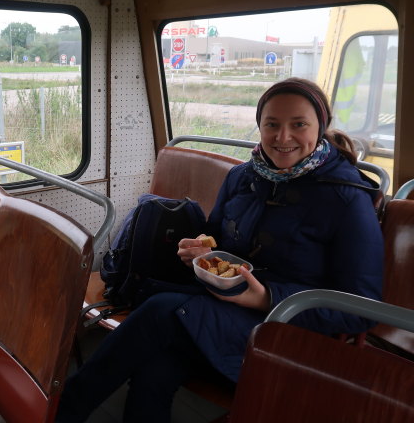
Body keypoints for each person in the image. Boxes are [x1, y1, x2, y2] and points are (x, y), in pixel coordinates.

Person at [56, 78, 384, 423]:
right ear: (260, 126)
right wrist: (197, 251)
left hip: (289, 327)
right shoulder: (243, 177)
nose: (282, 137)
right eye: (272, 124)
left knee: (160, 310)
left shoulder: (347, 199)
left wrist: (267, 298)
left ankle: (61, 410)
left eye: (298, 125)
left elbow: (361, 309)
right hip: (222, 308)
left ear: (321, 127)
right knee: (154, 372)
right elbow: (217, 241)